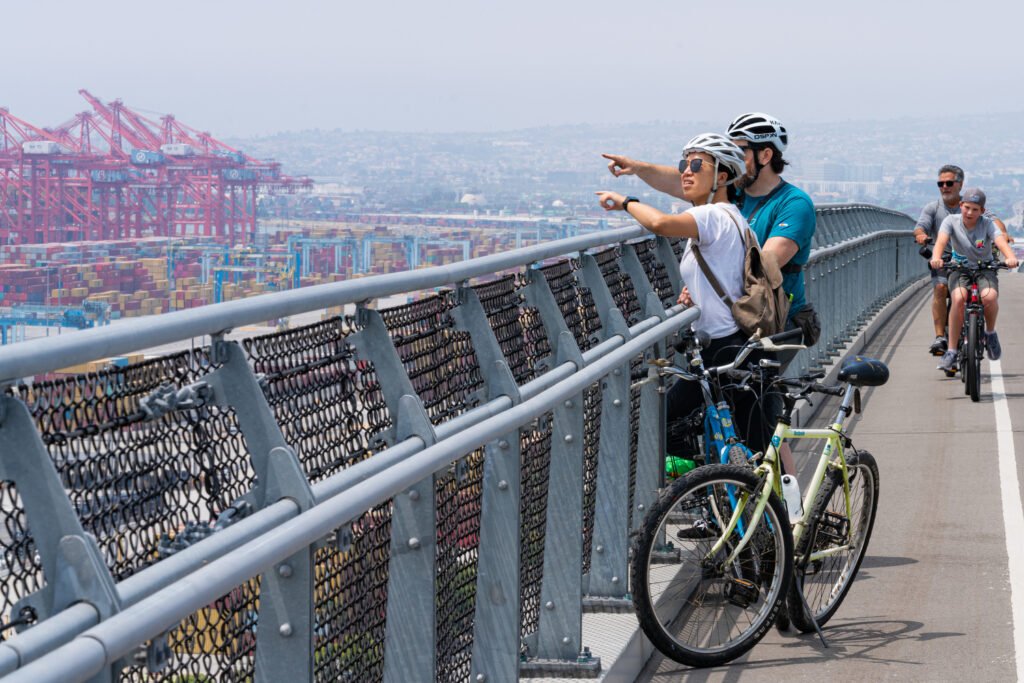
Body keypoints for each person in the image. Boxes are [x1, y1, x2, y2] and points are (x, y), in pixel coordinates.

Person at [595, 133, 770, 451]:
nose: (686, 171)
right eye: (683, 164)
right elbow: (725, 275)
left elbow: (660, 224)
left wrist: (626, 202)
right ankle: (727, 493)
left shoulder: (711, 215)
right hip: (737, 345)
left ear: (722, 176)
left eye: (695, 165)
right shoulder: (734, 217)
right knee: (749, 445)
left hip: (718, 349)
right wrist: (697, 294)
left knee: (657, 428)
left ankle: (699, 491)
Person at [603, 113, 817, 356]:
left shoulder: (794, 203)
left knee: (758, 388)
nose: (731, 158)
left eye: (739, 152)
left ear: (766, 155)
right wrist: (637, 168)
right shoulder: (735, 194)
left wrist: (701, 285)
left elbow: (763, 266)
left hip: (776, 318)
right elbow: (685, 182)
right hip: (738, 316)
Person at [914, 165, 1013, 356]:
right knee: (941, 288)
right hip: (944, 260)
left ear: (959, 185)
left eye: (949, 183)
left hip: (972, 260)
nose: (944, 187)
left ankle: (983, 331)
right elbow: (920, 227)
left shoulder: (971, 204)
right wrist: (921, 236)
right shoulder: (933, 209)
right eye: (941, 183)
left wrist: (1004, 234)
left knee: (981, 295)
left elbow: (994, 222)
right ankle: (940, 337)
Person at [930, 188, 1018, 372]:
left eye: (975, 209)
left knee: (989, 297)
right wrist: (936, 258)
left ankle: (990, 333)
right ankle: (952, 352)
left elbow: (1000, 241)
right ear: (961, 205)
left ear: (982, 211)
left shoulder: (987, 224)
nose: (969, 213)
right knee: (959, 299)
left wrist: (1010, 257)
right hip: (959, 269)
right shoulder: (951, 221)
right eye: (967, 207)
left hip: (984, 268)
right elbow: (941, 241)